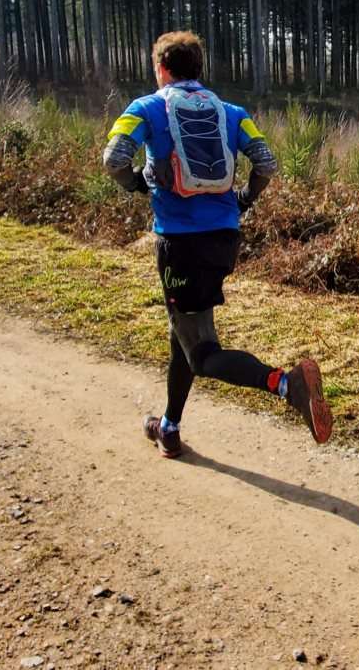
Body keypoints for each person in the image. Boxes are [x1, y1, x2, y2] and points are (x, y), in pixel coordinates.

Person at [102, 31, 331, 458]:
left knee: (203, 353)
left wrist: (135, 183)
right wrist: (245, 199)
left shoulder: (147, 107)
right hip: (224, 240)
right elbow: (266, 162)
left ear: (161, 69)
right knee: (183, 335)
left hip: (181, 246)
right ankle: (168, 428)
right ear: (200, 69)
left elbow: (114, 157)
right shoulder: (231, 112)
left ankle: (287, 384)